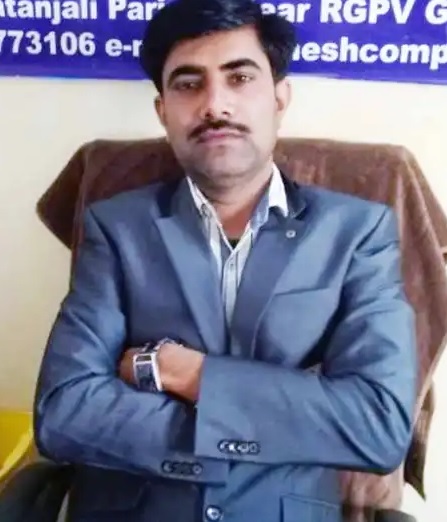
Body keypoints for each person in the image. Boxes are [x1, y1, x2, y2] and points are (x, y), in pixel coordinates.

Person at [33, 0, 417, 521]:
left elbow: (378, 426)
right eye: (189, 84)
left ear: (279, 98)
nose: (215, 104)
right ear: (163, 110)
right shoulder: (117, 227)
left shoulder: (356, 232)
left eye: (240, 78)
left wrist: (190, 374)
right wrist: (274, 427)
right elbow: (64, 412)